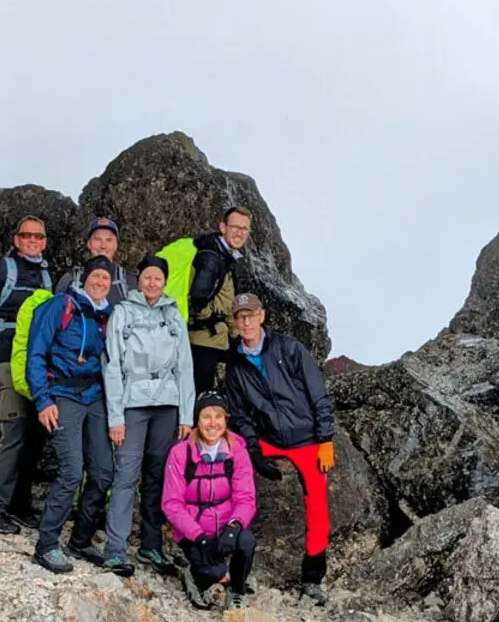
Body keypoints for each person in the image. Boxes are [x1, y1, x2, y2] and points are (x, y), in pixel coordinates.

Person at [223, 293, 335, 606]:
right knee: (234, 467)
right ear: (235, 322)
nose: (246, 321)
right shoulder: (235, 366)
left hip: (307, 439)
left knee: (318, 510)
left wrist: (326, 439)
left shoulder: (290, 348)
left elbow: (318, 394)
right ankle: (234, 567)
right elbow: (241, 417)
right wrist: (254, 451)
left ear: (262, 316)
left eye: (251, 314)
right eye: (240, 316)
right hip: (269, 439)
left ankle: (312, 580)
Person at [102, 253, 197, 577]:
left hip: (167, 405)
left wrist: (187, 415)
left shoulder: (173, 315)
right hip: (133, 403)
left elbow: (185, 366)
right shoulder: (123, 313)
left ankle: (150, 546)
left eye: (158, 278)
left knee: (158, 476)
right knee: (126, 473)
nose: (152, 283)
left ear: (165, 281)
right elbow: (112, 365)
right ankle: (115, 550)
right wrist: (115, 417)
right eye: (147, 277)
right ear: (138, 280)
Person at [23, 257, 116, 573]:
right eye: (96, 276)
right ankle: (46, 544)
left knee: (103, 472)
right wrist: (42, 400)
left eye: (106, 278)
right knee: (72, 470)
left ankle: (80, 540)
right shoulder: (61, 306)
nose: (101, 282)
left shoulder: (106, 315)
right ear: (86, 278)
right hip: (62, 395)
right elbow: (36, 353)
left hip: (95, 396)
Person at [0, 216, 54, 535]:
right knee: (16, 433)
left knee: (35, 437)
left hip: (35, 366)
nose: (33, 240)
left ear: (45, 242)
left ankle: (18, 505)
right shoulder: (2, 270)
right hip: (6, 361)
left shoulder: (47, 275)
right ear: (17, 240)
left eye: (38, 236)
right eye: (26, 236)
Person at [162, 392, 257, 611]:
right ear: (197, 420)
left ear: (226, 421)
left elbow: (246, 498)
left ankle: (237, 590)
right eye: (206, 416)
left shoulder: (238, 452)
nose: (212, 423)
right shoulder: (180, 453)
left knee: (246, 543)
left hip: (226, 524)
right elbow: (172, 503)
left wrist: (234, 527)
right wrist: (198, 536)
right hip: (194, 530)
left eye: (218, 416)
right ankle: (195, 577)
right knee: (212, 572)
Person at [187, 207, 252, 393]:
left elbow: (227, 299)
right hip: (203, 341)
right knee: (202, 398)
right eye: (235, 227)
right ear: (223, 227)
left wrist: (235, 335)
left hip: (214, 338)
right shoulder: (211, 257)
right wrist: (215, 322)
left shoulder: (226, 256)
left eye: (244, 229)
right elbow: (198, 301)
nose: (239, 233)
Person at [54, 217, 137, 303]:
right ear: (89, 244)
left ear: (116, 245)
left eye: (109, 240)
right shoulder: (70, 279)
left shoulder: (129, 281)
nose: (103, 246)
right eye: (97, 239)